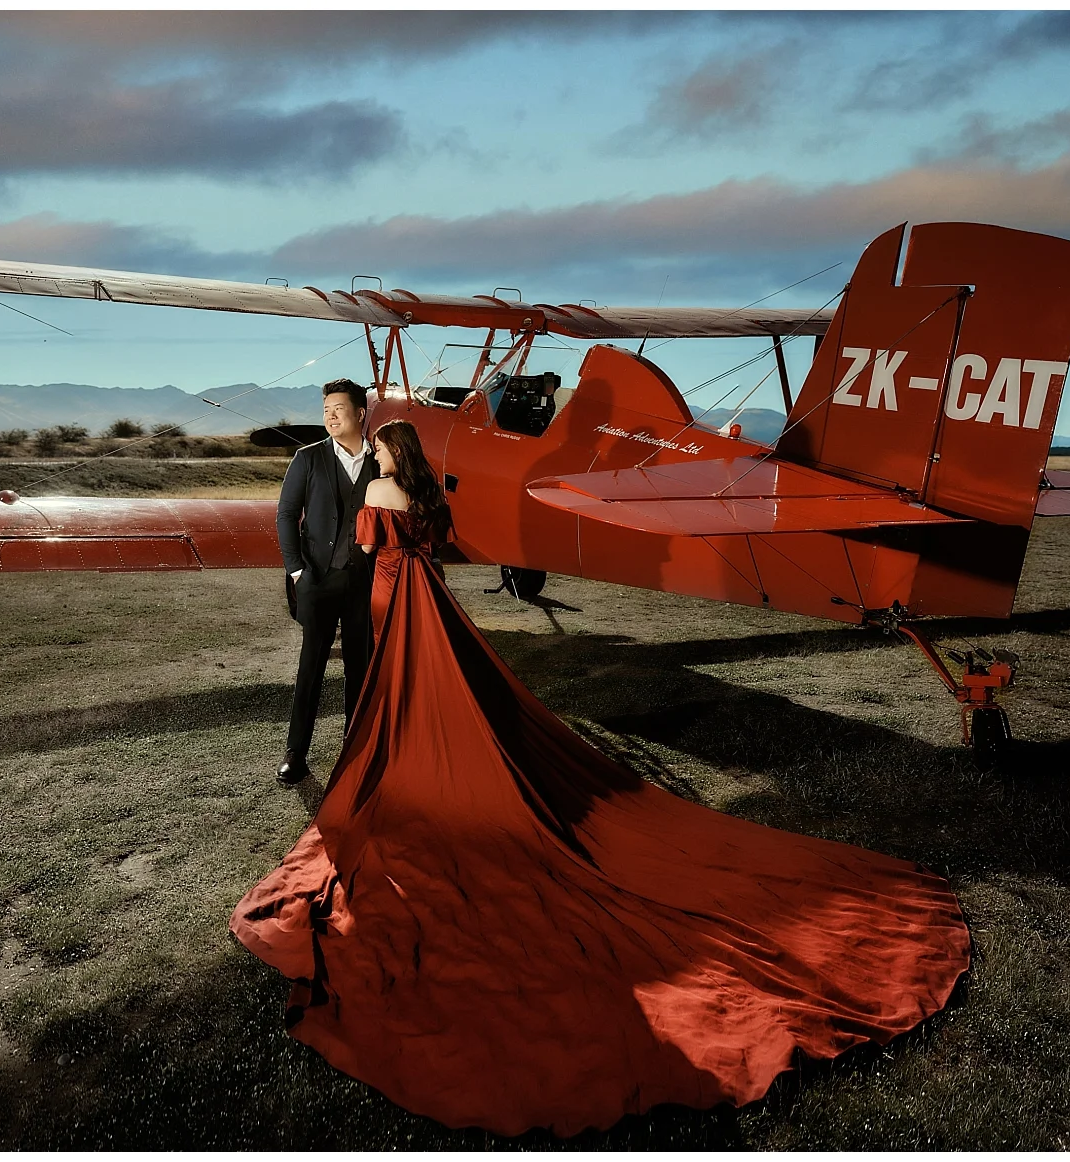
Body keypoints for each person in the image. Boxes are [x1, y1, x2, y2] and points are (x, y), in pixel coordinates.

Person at [233, 418, 971, 1137]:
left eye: (384, 444)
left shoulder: (380, 498)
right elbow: (438, 544)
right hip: (430, 596)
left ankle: (393, 759)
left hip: (391, 597)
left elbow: (365, 554)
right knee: (442, 685)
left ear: (393, 453)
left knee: (393, 687)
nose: (379, 450)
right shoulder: (427, 501)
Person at [273, 379, 379, 785]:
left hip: (362, 582)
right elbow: (286, 515)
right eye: (325, 410)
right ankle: (296, 753)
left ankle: (355, 749)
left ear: (360, 413)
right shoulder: (308, 458)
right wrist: (298, 570)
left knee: (360, 667)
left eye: (338, 408)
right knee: (310, 667)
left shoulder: (380, 462)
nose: (330, 416)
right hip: (316, 579)